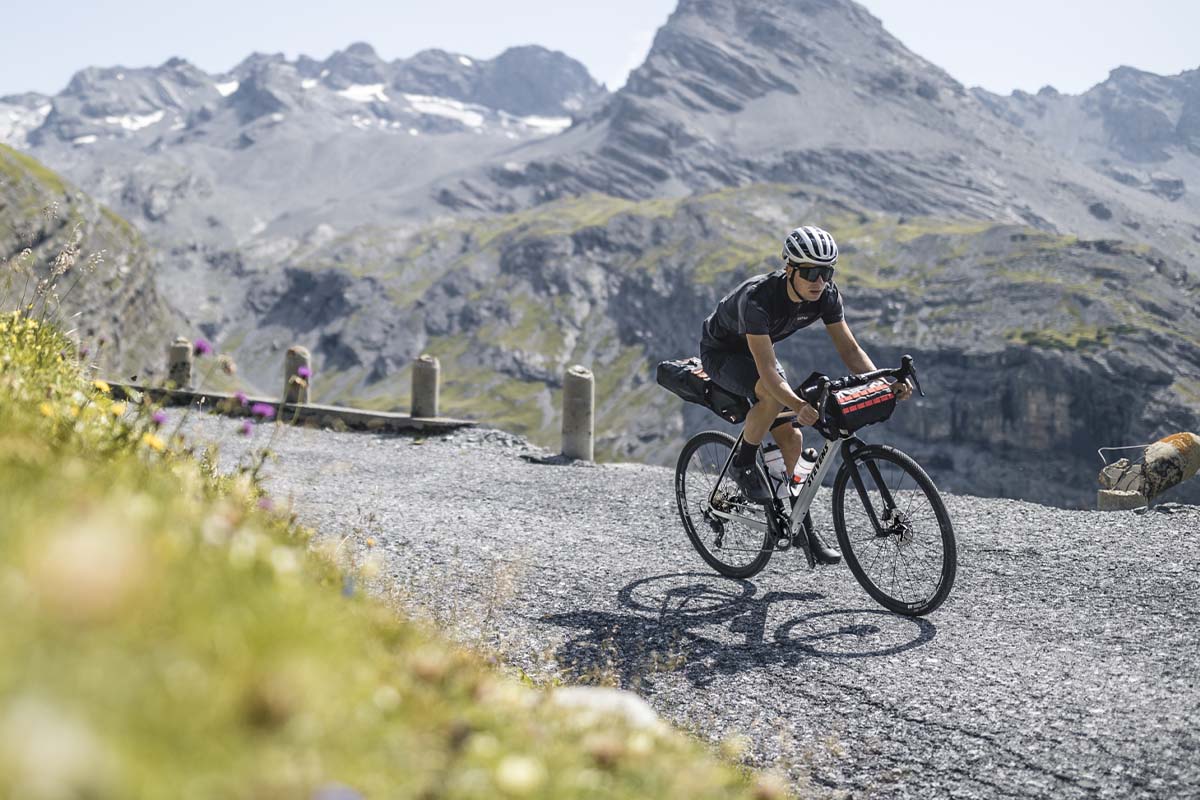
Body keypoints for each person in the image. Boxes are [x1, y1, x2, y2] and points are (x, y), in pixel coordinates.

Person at [699, 225, 913, 561]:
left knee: (794, 442)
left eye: (826, 272)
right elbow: (767, 372)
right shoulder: (759, 299)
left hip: (761, 352)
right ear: (789, 269)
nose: (819, 281)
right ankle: (742, 464)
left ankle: (803, 531)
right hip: (723, 353)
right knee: (771, 397)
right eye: (810, 272)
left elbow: (850, 349)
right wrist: (798, 404)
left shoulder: (826, 295)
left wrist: (881, 383)